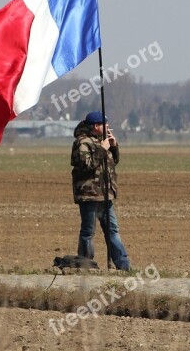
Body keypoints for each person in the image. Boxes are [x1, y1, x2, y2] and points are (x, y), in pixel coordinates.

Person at [70, 111, 131, 271]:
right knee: (88, 231)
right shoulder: (81, 142)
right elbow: (86, 165)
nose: (108, 126)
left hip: (105, 195)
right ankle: (85, 265)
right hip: (89, 195)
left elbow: (112, 162)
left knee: (112, 231)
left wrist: (114, 146)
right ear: (96, 126)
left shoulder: (102, 141)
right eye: (105, 124)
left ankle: (123, 266)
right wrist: (102, 149)